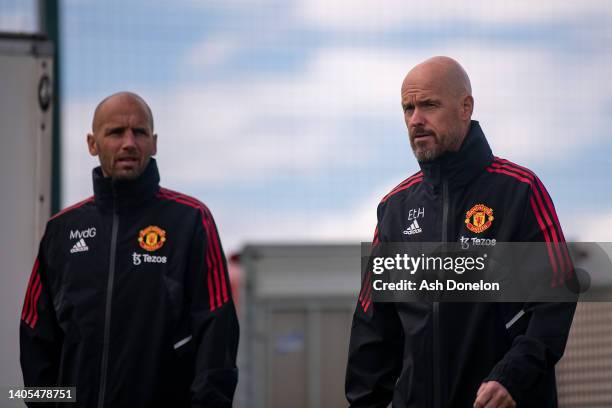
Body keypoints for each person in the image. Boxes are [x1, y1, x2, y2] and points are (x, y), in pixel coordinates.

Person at [345, 57, 576, 407]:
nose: (415, 120)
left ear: (465, 107)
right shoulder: (395, 209)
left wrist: (513, 377)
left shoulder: (519, 190)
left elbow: (556, 294)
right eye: (408, 108)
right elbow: (373, 329)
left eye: (429, 105)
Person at [20, 92, 239, 407]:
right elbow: (35, 336)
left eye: (140, 132)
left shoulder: (191, 220)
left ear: (154, 143)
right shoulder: (61, 231)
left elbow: (217, 331)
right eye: (115, 132)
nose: (129, 143)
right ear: (92, 144)